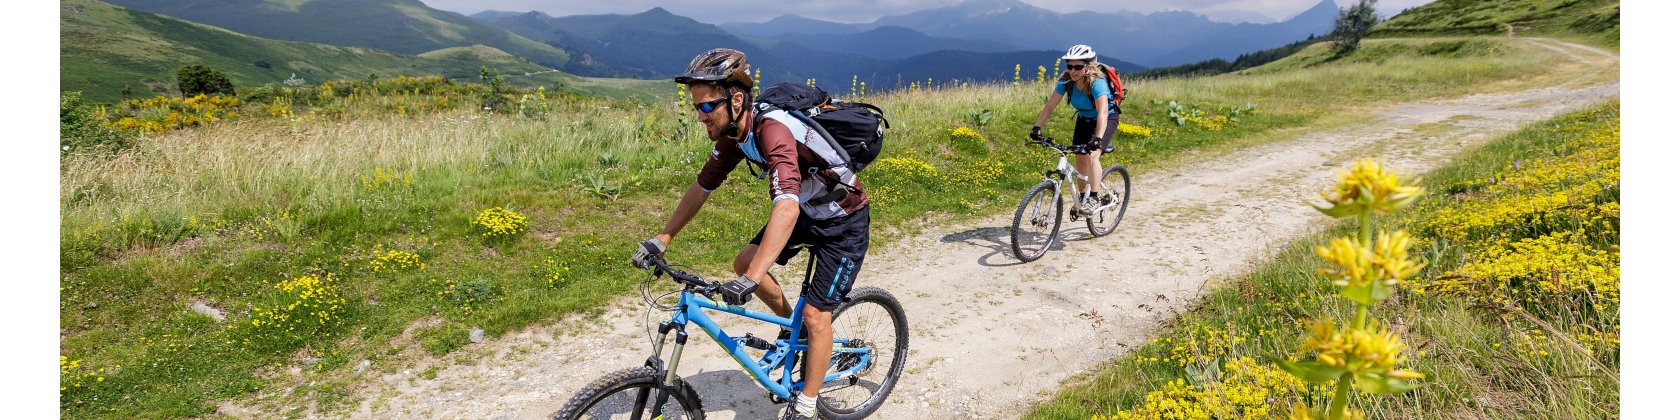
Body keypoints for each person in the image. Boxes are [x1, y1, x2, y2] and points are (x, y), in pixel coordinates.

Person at [629, 48, 871, 420]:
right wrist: (663, 238)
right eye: (696, 107)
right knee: (744, 261)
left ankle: (806, 405)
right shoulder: (733, 135)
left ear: (736, 99)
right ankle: (797, 336)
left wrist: (752, 279)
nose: (699, 116)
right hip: (809, 211)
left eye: (706, 107)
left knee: (817, 315)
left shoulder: (772, 130)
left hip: (843, 220)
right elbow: (701, 187)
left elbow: (786, 206)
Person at [1029, 44, 1119, 219]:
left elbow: (1102, 112)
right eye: (1070, 66)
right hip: (1084, 120)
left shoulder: (1097, 83)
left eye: (1078, 67)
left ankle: (1093, 196)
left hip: (1106, 119)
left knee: (1092, 156)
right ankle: (1081, 197)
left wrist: (1098, 138)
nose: (1073, 71)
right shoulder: (1066, 82)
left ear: (1088, 66)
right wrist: (1037, 127)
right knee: (1079, 159)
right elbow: (1050, 106)